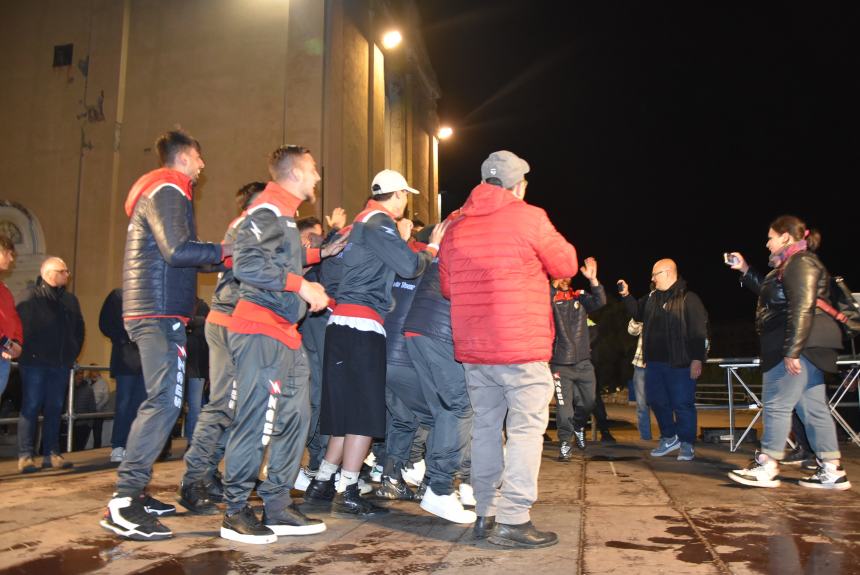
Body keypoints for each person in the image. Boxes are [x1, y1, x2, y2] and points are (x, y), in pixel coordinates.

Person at [439, 150, 578, 549]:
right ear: (518, 185)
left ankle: (486, 512)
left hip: (475, 348)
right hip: (521, 345)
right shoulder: (529, 216)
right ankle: (514, 519)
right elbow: (566, 264)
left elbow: (448, 287)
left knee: (485, 427)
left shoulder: (456, 225)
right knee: (525, 430)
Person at [101, 129, 229, 541]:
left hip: (155, 308)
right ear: (184, 157)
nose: (203, 165)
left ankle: (135, 492)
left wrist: (221, 259)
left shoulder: (162, 190)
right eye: (199, 157)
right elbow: (178, 251)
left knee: (162, 401)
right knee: (165, 403)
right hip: (157, 311)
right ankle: (124, 500)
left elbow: (179, 254)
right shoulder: (169, 188)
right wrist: (226, 251)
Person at [304, 169, 445, 519]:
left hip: (340, 324)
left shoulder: (355, 225)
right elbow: (411, 265)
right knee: (365, 413)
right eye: (404, 195)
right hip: (362, 325)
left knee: (344, 412)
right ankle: (349, 488)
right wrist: (431, 247)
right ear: (397, 195)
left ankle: (322, 482)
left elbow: (332, 275)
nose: (405, 201)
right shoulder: (379, 222)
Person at [221, 145, 338, 544]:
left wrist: (309, 279)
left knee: (295, 419)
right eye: (313, 171)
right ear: (296, 173)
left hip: (287, 334)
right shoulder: (267, 210)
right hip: (259, 330)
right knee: (258, 422)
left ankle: (277, 504)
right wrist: (301, 284)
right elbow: (246, 264)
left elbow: (281, 265)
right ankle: (235, 510)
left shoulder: (285, 216)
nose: (317, 178)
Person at [727, 215, 850, 490]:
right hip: (810, 343)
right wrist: (745, 269)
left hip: (799, 343)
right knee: (813, 409)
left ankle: (767, 465)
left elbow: (802, 306)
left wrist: (792, 351)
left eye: (770, 237)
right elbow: (776, 295)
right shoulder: (791, 264)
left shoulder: (800, 262)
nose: (767, 242)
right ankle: (832, 470)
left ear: (785, 237)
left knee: (777, 403)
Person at [177, 181, 265, 515]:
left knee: (236, 405)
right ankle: (193, 478)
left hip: (240, 323)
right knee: (223, 404)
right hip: (229, 321)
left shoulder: (256, 227)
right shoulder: (246, 226)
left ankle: (209, 471)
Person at [403, 223, 477, 522]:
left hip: (418, 330)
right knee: (461, 407)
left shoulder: (452, 238)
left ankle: (438, 484)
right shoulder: (469, 241)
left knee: (444, 411)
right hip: (439, 332)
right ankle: (441, 489)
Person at [620, 259, 708, 462]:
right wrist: (626, 295)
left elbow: (698, 331)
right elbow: (636, 312)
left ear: (668, 273)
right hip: (654, 364)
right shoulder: (651, 298)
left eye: (655, 274)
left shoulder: (688, 298)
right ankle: (669, 437)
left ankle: (686, 443)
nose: (651, 278)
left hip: (680, 364)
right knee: (657, 401)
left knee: (682, 404)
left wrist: (697, 359)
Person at [16, 257, 85, 473]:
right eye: (63, 271)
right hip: (35, 362)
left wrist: (71, 353)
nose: (67, 275)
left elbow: (79, 329)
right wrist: (29, 352)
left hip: (60, 363)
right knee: (31, 406)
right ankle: (26, 455)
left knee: (56, 408)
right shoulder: (29, 296)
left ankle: (52, 453)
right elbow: (20, 329)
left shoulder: (70, 301)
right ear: (48, 273)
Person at [550, 257, 606, 459]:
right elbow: (545, 297)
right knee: (564, 410)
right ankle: (565, 443)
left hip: (584, 363)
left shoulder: (579, 296)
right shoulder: (549, 298)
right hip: (560, 364)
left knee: (589, 402)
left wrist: (593, 280)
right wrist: (553, 284)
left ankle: (579, 426)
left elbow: (600, 301)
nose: (565, 277)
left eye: (567, 273)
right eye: (560, 272)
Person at [99, 288, 146, 464]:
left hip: (145, 360)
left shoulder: (150, 295)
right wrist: (125, 337)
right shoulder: (118, 296)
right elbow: (105, 324)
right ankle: (118, 445)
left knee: (140, 404)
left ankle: (133, 445)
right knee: (124, 404)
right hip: (125, 358)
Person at [0, 235, 22, 399]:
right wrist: (6, 343)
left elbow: (13, 318)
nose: (11, 258)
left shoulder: (4, 289)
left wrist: (16, 342)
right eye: (8, 253)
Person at [627, 319, 652, 441]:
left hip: (660, 363)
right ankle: (646, 439)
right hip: (640, 363)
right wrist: (637, 317)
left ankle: (668, 437)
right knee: (642, 405)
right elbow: (632, 331)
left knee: (663, 403)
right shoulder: (644, 306)